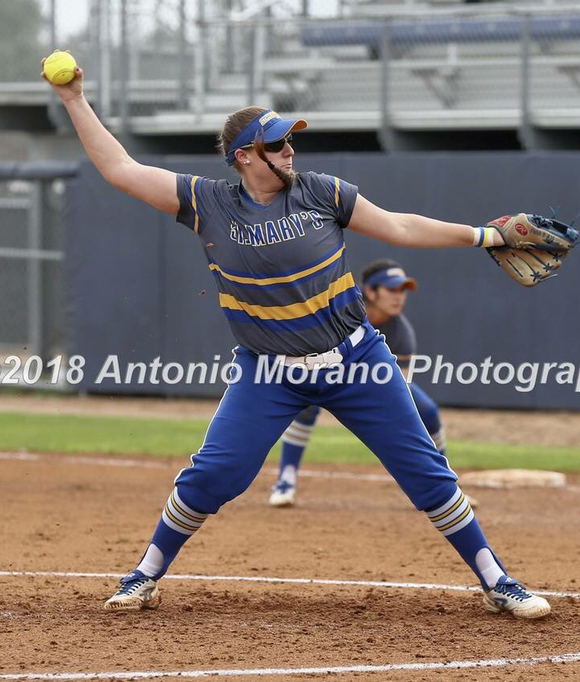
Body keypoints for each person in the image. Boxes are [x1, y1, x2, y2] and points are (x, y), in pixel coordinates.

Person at [43, 56, 551, 619]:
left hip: (357, 360)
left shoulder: (322, 192)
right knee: (215, 474)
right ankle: (145, 573)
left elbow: (401, 226)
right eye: (276, 145)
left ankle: (497, 580)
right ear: (244, 157)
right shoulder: (208, 203)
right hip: (268, 371)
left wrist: (486, 236)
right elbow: (119, 168)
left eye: (289, 142)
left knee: (425, 469)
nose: (289, 151)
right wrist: (74, 100)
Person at [269, 259, 448, 508]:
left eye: (403, 290)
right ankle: (285, 479)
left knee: (427, 410)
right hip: (321, 367)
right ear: (371, 292)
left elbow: (399, 390)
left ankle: (444, 484)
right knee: (307, 402)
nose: (399, 297)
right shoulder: (344, 309)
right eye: (392, 289)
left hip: (370, 380)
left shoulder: (401, 334)